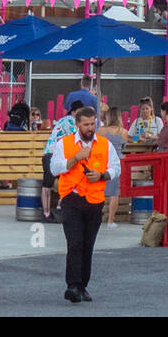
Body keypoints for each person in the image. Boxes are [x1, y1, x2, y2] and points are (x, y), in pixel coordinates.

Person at [49, 106, 120, 302]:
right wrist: (75, 159)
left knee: (88, 244)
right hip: (72, 199)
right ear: (78, 124)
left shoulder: (104, 144)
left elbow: (116, 167)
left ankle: (82, 285)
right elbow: (54, 168)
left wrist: (102, 175)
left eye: (92, 124)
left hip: (95, 200)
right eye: (86, 124)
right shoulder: (65, 143)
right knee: (75, 243)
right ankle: (72, 285)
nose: (90, 128)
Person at [42, 100, 86, 221]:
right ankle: (59, 207)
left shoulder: (62, 120)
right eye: (80, 111)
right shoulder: (72, 121)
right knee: (69, 180)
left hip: (47, 153)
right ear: (74, 112)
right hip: (56, 155)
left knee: (47, 184)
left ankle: (46, 214)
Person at [100, 108, 127, 228]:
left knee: (98, 190)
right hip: (116, 162)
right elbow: (124, 146)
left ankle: (96, 217)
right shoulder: (123, 131)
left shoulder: (100, 130)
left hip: (102, 161)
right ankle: (110, 221)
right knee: (114, 193)